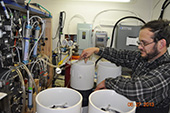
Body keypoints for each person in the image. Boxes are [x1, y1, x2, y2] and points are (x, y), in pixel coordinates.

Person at [79, 20, 170, 113]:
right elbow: (121, 55)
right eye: (139, 43)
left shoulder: (167, 70)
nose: (140, 47)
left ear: (161, 44)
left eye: (144, 43)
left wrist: (108, 82)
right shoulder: (144, 57)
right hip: (135, 107)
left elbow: (138, 88)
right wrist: (97, 50)